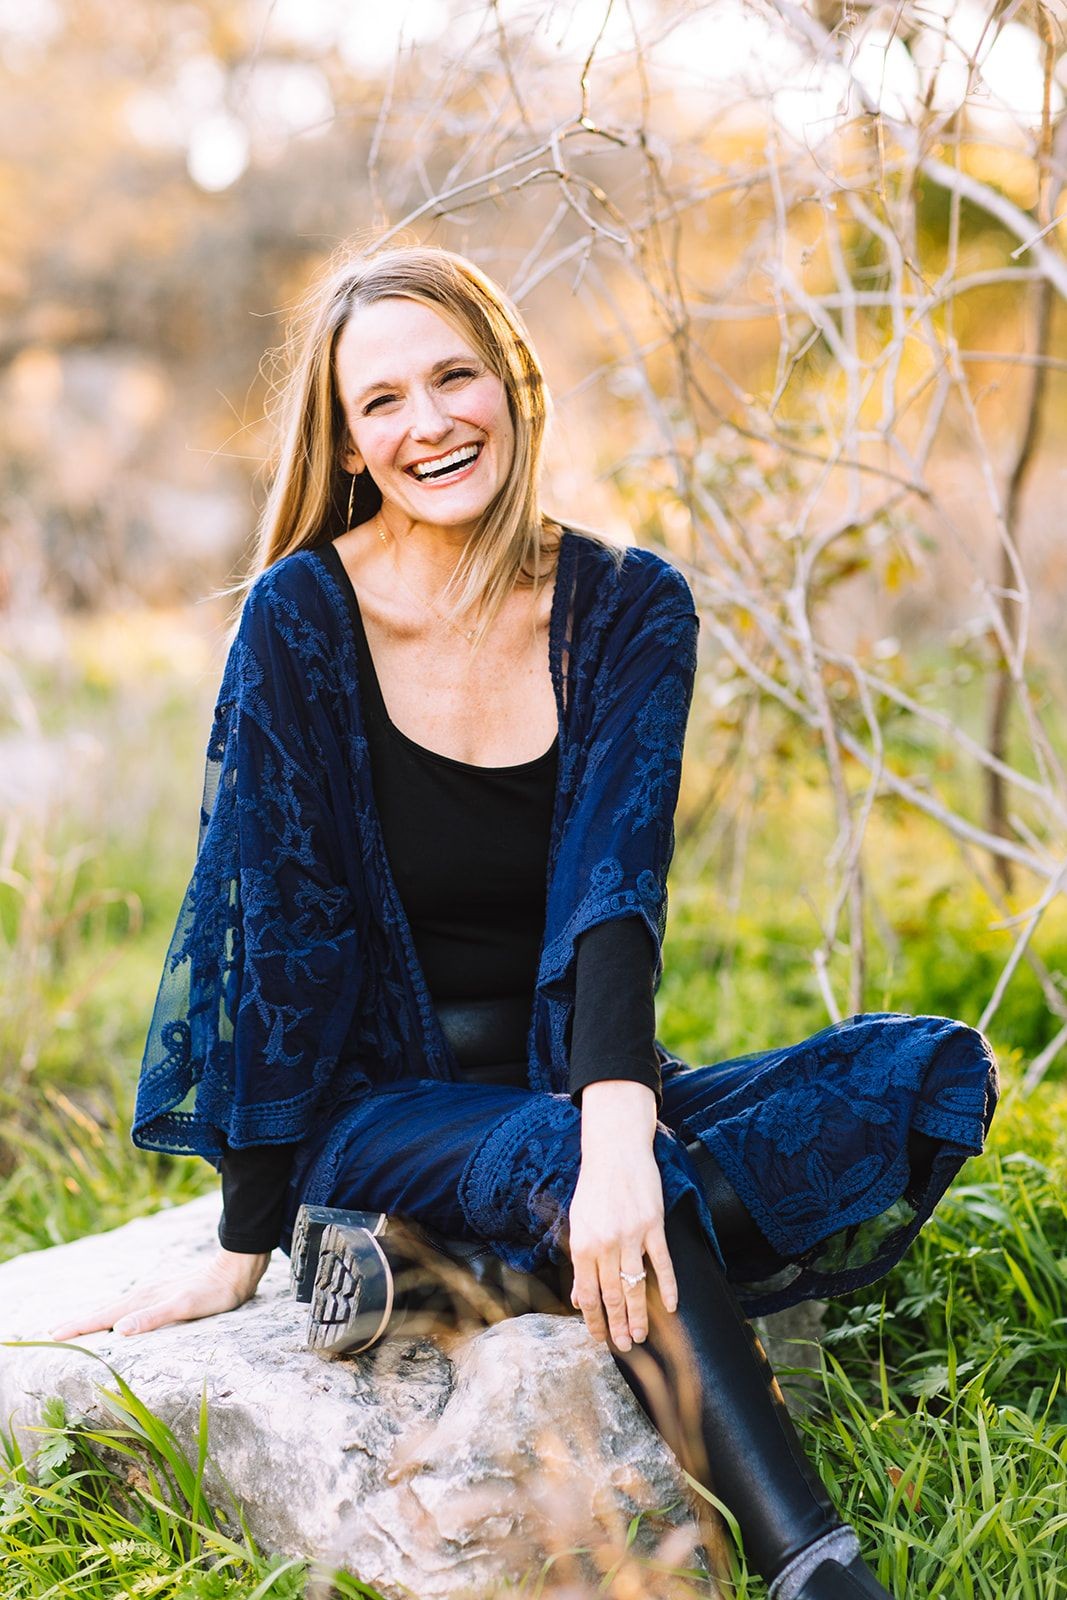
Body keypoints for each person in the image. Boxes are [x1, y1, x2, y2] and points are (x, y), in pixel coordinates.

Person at [52, 245, 998, 1600]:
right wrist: (244, 1239)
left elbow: (618, 891)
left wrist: (618, 1133)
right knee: (612, 1170)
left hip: (569, 1092)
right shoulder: (299, 621)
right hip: (382, 1106)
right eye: (383, 402)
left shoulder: (629, 607)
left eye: (454, 376)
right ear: (352, 445)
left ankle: (437, 1270)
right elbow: (285, 946)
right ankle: (812, 1564)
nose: (429, 420)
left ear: (511, 382)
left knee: (915, 1076)